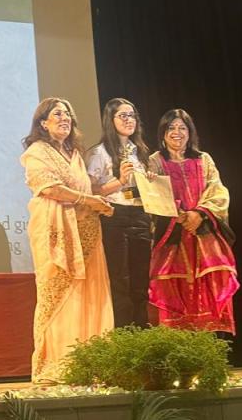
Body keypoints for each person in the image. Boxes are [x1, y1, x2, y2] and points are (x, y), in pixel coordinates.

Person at [21, 97, 114, 381]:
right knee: (57, 294)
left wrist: (100, 202)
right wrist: (90, 200)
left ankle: (89, 364)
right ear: (43, 123)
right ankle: (56, 366)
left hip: (87, 230)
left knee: (90, 294)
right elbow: (50, 189)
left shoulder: (74, 154)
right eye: (58, 114)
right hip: (54, 232)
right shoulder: (36, 152)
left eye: (68, 114)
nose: (65, 119)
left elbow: (85, 190)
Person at [147, 109, 239, 334]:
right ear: (163, 133)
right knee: (173, 290)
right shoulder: (155, 161)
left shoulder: (203, 159)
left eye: (182, 128)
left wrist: (199, 214)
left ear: (190, 133)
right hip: (172, 237)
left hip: (203, 236)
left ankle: (209, 345)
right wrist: (179, 215)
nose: (177, 132)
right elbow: (153, 194)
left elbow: (218, 191)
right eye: (171, 128)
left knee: (209, 289)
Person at [85, 98, 153, 328]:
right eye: (122, 115)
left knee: (141, 279)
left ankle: (142, 332)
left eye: (132, 115)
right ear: (110, 120)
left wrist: (150, 183)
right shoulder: (99, 153)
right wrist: (120, 181)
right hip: (115, 216)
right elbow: (90, 190)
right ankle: (124, 334)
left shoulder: (139, 151)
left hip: (140, 215)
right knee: (120, 280)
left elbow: (136, 190)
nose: (128, 120)